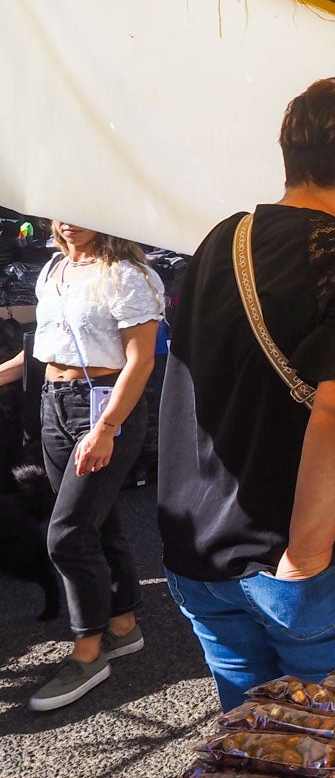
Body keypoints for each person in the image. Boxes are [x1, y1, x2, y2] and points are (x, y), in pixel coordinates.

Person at [157, 77, 335, 711]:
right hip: (314, 563)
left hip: (204, 554)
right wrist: (305, 557)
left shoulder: (221, 240)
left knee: (251, 742)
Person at [25, 222, 163, 711]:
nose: (67, 220)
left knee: (67, 533)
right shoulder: (55, 268)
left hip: (102, 407)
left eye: (80, 209)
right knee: (98, 522)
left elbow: (141, 360)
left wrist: (105, 427)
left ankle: (88, 651)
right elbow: (44, 345)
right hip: (53, 402)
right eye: (60, 210)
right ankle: (123, 625)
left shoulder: (128, 275)